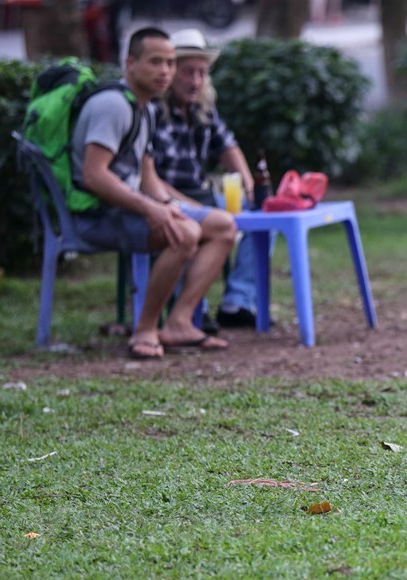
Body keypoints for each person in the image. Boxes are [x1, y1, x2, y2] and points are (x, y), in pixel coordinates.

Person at [71, 27, 236, 359]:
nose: (165, 71)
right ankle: (145, 329)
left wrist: (175, 206)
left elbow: (148, 178)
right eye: (156, 62)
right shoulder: (113, 106)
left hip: (128, 208)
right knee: (184, 233)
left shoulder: (144, 108)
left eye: (170, 63)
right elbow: (94, 175)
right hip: (96, 215)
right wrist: (153, 211)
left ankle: (179, 322)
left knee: (222, 225)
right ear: (130, 63)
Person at [150, 28, 258, 329]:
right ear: (171, 71)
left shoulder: (203, 107)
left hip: (202, 194)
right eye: (188, 72)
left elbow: (228, 145)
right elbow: (150, 179)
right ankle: (196, 308)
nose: (195, 81)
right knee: (198, 224)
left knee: (262, 216)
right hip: (168, 197)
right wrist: (190, 206)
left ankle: (238, 301)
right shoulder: (152, 110)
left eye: (202, 73)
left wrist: (248, 182)